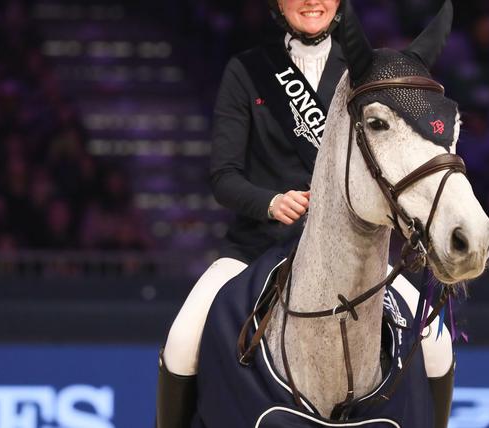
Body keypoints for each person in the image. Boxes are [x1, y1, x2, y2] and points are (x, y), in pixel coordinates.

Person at [156, 1, 454, 426]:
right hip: (257, 246)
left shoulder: (364, 75)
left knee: (438, 342)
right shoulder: (248, 71)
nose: (312, 1)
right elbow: (224, 176)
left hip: (350, 254)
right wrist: (271, 202)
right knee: (183, 338)